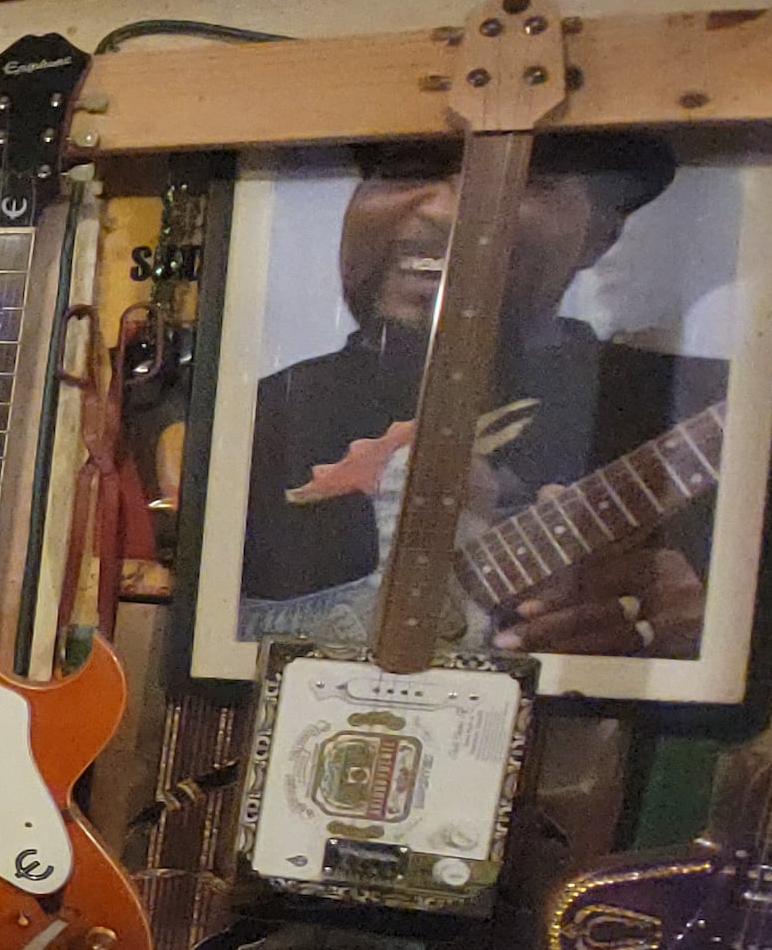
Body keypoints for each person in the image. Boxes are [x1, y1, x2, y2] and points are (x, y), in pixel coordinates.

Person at [235, 133, 722, 656]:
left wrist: (699, 633)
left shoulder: (706, 405)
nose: (445, 211)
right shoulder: (256, 416)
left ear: (599, 237)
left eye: (529, 179)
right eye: (406, 169)